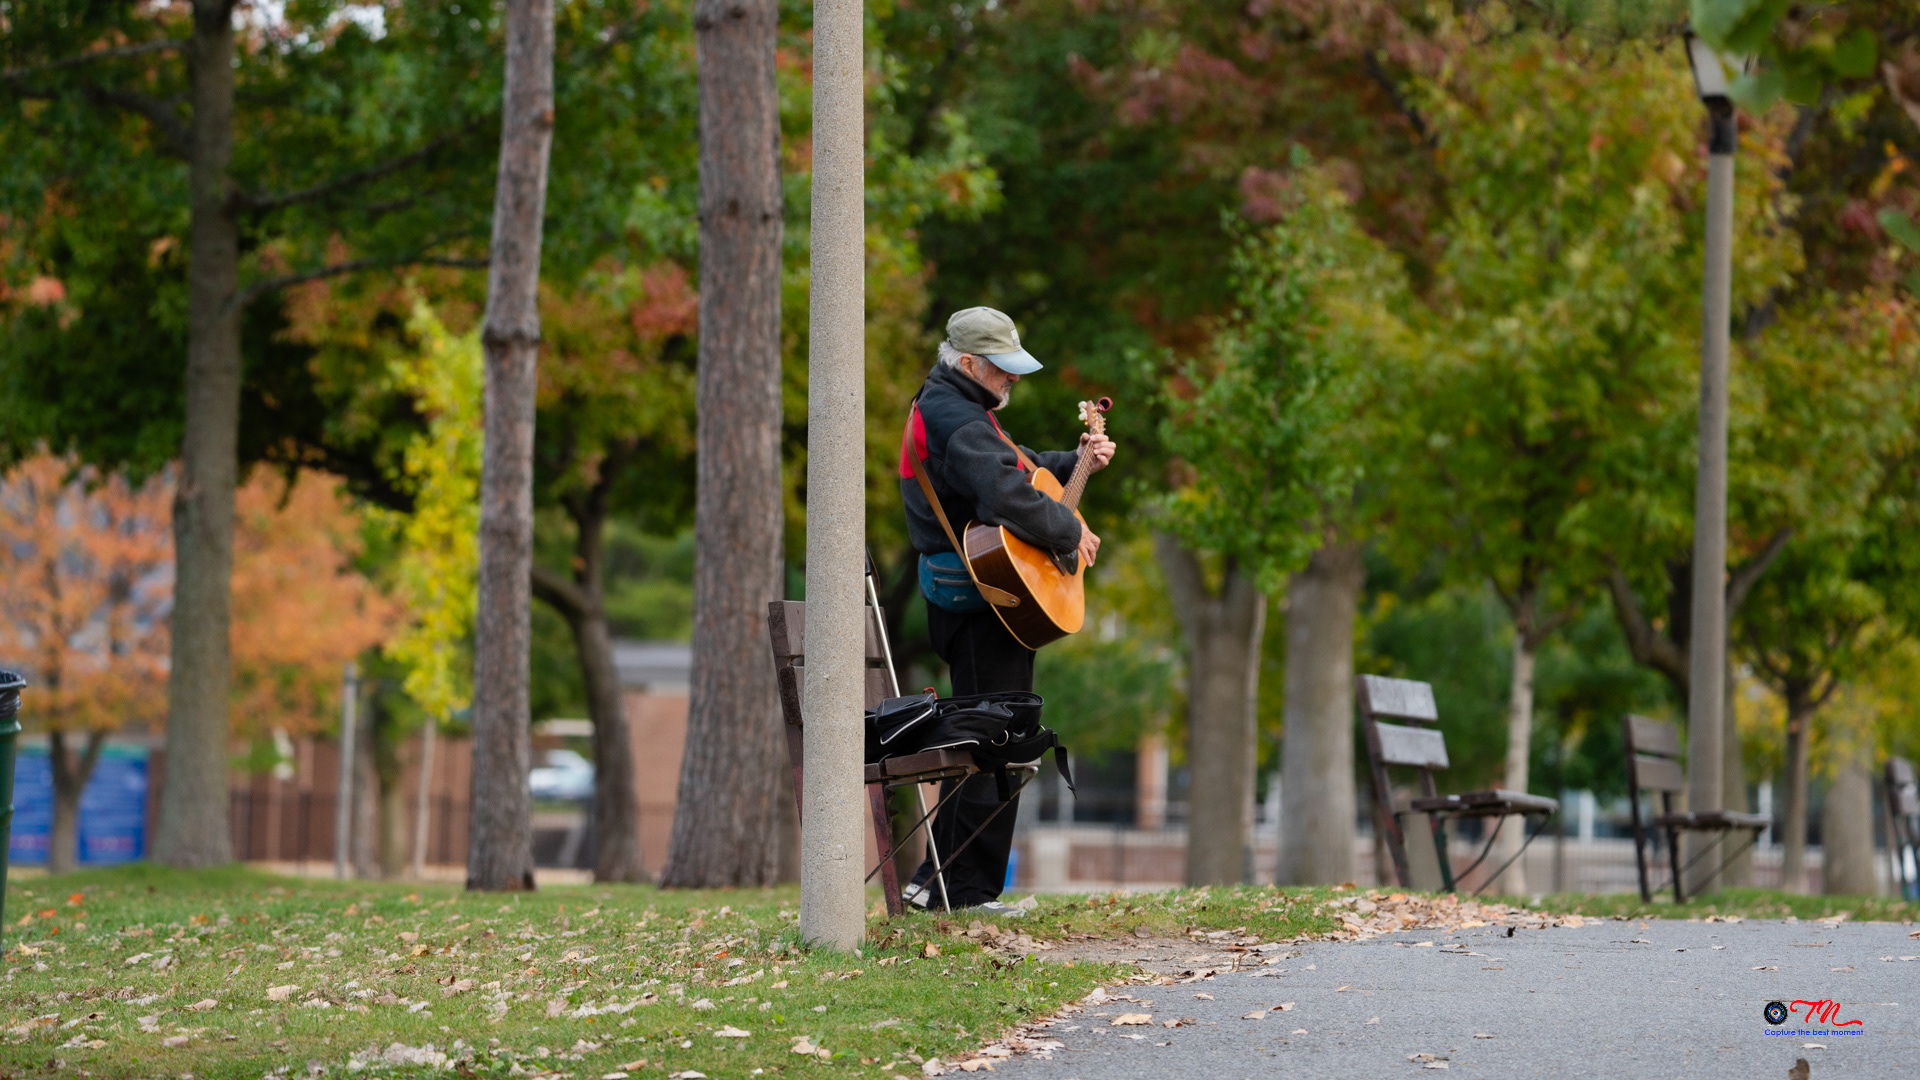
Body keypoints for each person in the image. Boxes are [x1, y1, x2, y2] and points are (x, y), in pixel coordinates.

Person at [896, 306, 1115, 915]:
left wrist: (1075, 463)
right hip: (980, 601)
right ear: (969, 364)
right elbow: (1002, 491)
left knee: (993, 735)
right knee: (999, 740)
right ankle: (963, 894)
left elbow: (1019, 466)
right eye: (1002, 369)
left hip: (986, 597)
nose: (1012, 379)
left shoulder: (962, 408)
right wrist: (1068, 529)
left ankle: (931, 885)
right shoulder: (954, 414)